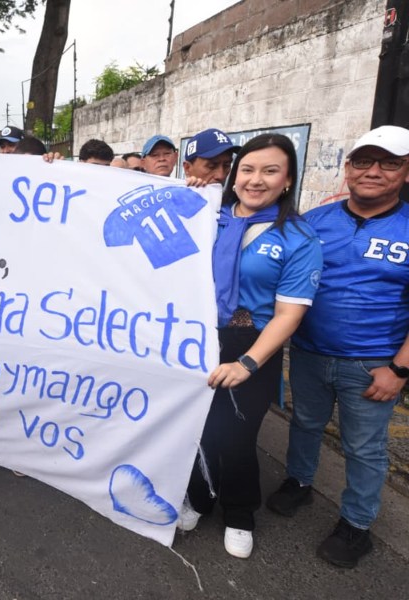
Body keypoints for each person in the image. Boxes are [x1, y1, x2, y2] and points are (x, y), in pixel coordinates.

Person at [265, 125, 409, 568]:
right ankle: (300, 482)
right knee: (305, 424)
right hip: (309, 353)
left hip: (373, 364)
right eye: (363, 161)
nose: (373, 171)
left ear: (406, 171)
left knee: (364, 448)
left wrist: (399, 370)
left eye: (389, 162)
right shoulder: (314, 221)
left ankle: (356, 525)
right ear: (347, 169)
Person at [180, 134, 323, 559]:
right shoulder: (206, 215)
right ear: (234, 175)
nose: (255, 180)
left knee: (236, 437)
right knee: (199, 431)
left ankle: (240, 513)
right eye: (247, 169)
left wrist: (247, 362)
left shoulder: (300, 238)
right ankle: (200, 496)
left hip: (252, 344)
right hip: (197, 338)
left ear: (288, 180)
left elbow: (288, 315)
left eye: (270, 171)